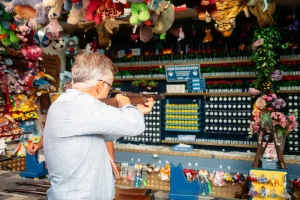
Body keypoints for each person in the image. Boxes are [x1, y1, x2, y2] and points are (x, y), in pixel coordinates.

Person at [43, 51, 154, 200]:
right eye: (109, 87)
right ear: (101, 85)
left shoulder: (65, 103)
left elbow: (109, 131)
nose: (108, 92)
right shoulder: (81, 105)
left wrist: (138, 110)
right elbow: (135, 125)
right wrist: (125, 103)